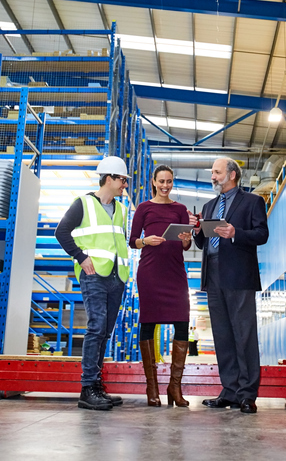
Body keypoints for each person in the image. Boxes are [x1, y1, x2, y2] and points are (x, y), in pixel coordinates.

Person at [193, 157, 269, 414]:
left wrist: (236, 233)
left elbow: (262, 235)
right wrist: (196, 232)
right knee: (223, 336)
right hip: (213, 276)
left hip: (239, 277)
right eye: (212, 172)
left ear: (232, 175)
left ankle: (248, 394)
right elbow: (203, 244)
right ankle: (230, 391)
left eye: (217, 172)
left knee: (244, 335)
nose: (213, 176)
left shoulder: (253, 202)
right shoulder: (210, 205)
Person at [55, 155, 131, 411]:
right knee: (96, 328)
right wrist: (81, 257)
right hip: (93, 276)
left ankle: (96, 386)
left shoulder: (120, 209)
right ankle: (87, 388)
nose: (125, 185)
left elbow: (119, 242)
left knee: (105, 333)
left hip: (116, 277)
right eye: (122, 180)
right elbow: (61, 232)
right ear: (108, 178)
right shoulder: (83, 204)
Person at [129, 164, 195, 407]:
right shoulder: (144, 208)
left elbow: (185, 245)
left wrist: (187, 240)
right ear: (153, 182)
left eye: (169, 181)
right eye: (161, 181)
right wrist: (144, 240)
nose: (166, 186)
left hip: (175, 273)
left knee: (182, 323)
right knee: (148, 323)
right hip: (150, 273)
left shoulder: (180, 209)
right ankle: (152, 387)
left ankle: (174, 388)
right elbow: (132, 241)